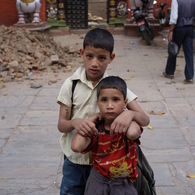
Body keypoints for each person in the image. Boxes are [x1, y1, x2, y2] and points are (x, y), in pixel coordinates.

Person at [57, 28, 150, 195]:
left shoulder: (114, 86)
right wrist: (74, 122)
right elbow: (62, 125)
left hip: (107, 164)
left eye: (101, 58)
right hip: (75, 160)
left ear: (111, 58)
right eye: (89, 56)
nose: (94, 63)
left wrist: (130, 114)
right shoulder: (70, 85)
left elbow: (145, 119)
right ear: (81, 53)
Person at [71, 76, 142, 195]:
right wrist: (89, 121)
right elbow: (76, 146)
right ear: (97, 103)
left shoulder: (128, 125)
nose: (110, 105)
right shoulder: (95, 129)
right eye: (104, 100)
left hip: (123, 184)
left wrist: (129, 114)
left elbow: (133, 133)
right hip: (98, 182)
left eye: (115, 99)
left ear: (125, 102)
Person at [163, 0, 195, 84]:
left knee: (174, 49)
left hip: (179, 28)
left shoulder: (176, 0)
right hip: (190, 28)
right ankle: (189, 77)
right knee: (189, 53)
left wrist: (171, 30)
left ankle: (169, 72)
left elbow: (174, 17)